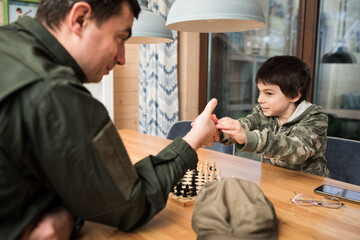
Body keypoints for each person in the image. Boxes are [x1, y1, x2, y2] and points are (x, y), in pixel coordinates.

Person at [0, 0, 219, 239]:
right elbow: (133, 204)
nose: (122, 58)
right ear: (80, 18)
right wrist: (194, 137)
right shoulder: (55, 92)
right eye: (120, 38)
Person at [214, 56, 330, 177]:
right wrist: (218, 132)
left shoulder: (316, 117)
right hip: (272, 182)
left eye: (268, 93)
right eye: (260, 92)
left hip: (308, 190)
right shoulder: (264, 113)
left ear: (294, 95)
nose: (259, 99)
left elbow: (298, 150)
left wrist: (249, 138)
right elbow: (245, 126)